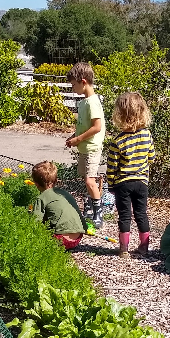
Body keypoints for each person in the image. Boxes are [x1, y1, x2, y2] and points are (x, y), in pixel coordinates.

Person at [106, 92, 154, 257]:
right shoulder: (147, 135)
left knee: (124, 215)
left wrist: (111, 184)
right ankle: (144, 247)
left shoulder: (118, 141)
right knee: (141, 213)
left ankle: (124, 249)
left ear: (119, 115)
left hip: (123, 183)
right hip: (142, 182)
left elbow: (112, 167)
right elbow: (151, 157)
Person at [64, 62, 105, 228]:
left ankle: (98, 213)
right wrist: (74, 137)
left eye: (74, 85)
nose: (73, 88)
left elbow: (97, 127)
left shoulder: (93, 102)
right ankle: (89, 208)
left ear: (83, 82)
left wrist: (79, 139)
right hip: (84, 148)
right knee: (86, 178)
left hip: (92, 148)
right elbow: (85, 126)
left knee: (90, 180)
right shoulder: (84, 102)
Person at [30, 160, 85, 250]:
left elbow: (35, 223)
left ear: (36, 184)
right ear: (56, 180)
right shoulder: (64, 193)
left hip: (61, 240)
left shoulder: (42, 198)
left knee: (37, 235)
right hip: (78, 238)